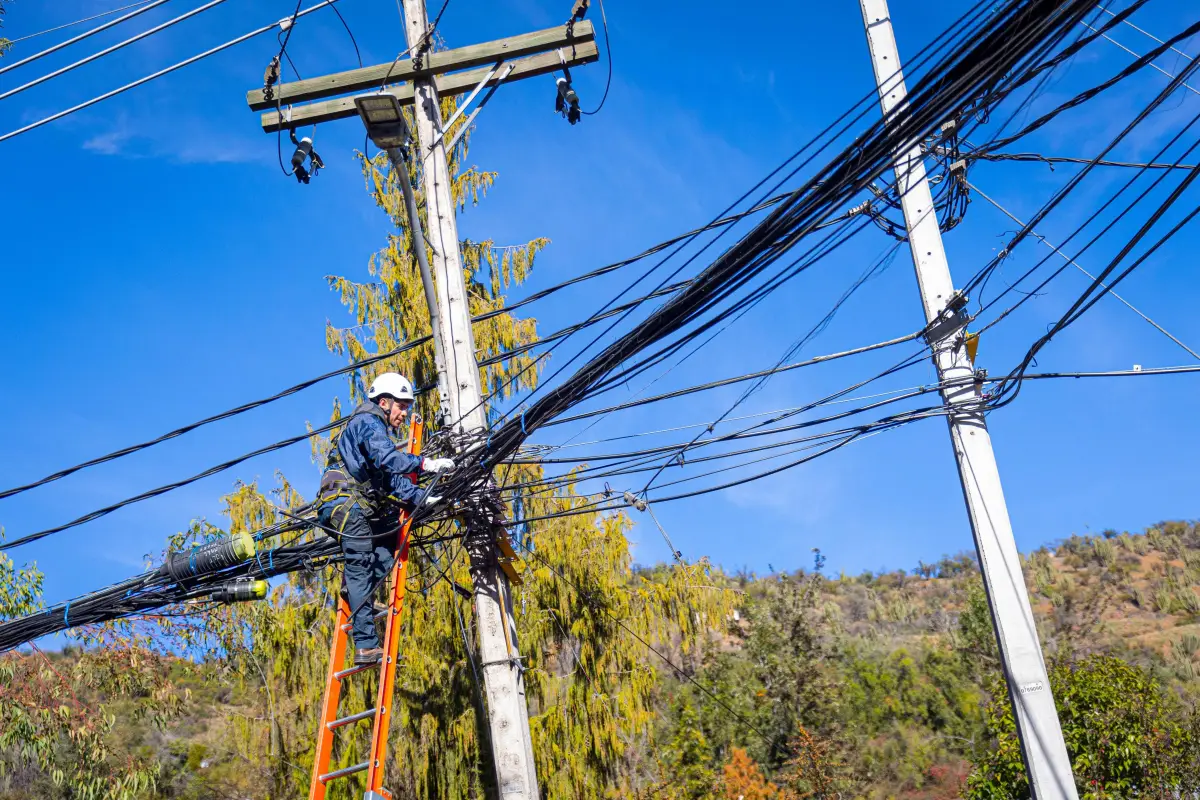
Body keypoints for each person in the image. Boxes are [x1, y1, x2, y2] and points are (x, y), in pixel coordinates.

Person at [316, 372, 455, 664]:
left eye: (407, 407)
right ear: (384, 402)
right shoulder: (367, 422)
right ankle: (366, 646)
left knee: (392, 533)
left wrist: (425, 499)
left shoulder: (372, 429)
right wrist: (425, 463)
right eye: (401, 406)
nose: (404, 414)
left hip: (355, 506)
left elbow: (391, 481)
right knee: (360, 562)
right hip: (344, 506)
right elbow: (388, 460)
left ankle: (356, 589)